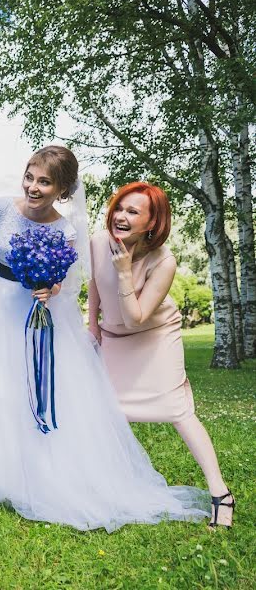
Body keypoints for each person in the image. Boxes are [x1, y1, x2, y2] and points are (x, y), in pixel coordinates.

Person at [0, 146, 210, 531]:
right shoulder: (1, 208)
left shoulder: (66, 230)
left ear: (62, 190)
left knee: (27, 387)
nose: (33, 187)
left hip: (36, 313)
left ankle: (20, 472)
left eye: (44, 182)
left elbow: (66, 282)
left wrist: (49, 288)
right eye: (29, 177)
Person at [89, 181, 235, 529]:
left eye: (133, 212)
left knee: (177, 409)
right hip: (113, 337)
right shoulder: (97, 241)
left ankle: (220, 493)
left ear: (151, 224)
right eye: (119, 208)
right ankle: (112, 487)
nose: (121, 216)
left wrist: (124, 271)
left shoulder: (163, 261)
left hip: (154, 337)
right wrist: (92, 321)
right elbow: (95, 280)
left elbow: (136, 316)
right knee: (110, 411)